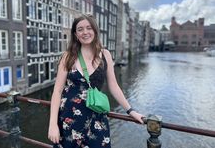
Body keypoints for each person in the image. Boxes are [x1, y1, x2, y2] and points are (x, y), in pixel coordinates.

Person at [48, 14, 144, 148]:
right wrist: (52, 125)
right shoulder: (68, 57)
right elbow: (57, 91)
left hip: (97, 118)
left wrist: (131, 111)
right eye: (80, 29)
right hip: (69, 119)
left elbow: (114, 86)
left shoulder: (105, 55)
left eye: (89, 28)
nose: (85, 32)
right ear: (76, 34)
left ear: (95, 31)